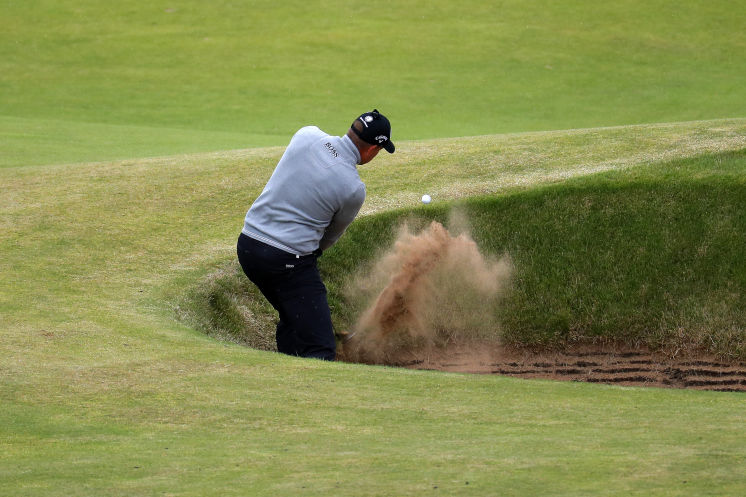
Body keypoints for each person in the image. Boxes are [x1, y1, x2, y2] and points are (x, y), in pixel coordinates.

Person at [237, 110, 395, 361]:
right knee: (320, 348)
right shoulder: (353, 189)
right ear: (373, 150)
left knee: (294, 314)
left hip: (247, 245)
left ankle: (288, 360)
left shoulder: (306, 134)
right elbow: (328, 238)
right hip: (285, 260)